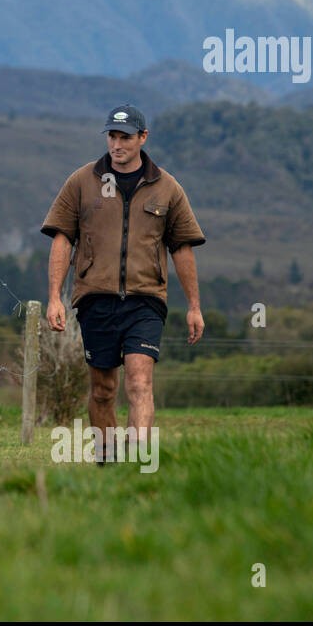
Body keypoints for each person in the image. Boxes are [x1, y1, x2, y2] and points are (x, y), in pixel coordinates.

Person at [39, 104, 206, 462]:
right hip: (95, 300)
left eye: (125, 137)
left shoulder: (168, 187)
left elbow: (182, 248)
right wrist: (54, 297)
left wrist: (194, 306)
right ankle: (106, 461)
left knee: (139, 384)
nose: (117, 144)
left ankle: (136, 463)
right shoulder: (81, 182)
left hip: (146, 301)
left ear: (142, 138)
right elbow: (61, 240)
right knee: (102, 390)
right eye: (112, 137)